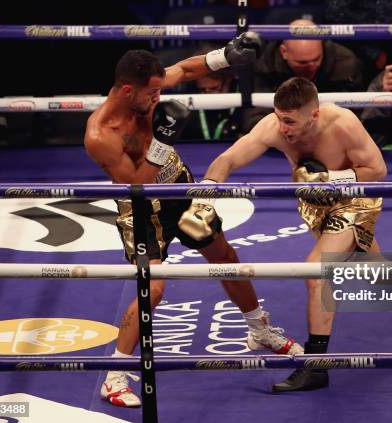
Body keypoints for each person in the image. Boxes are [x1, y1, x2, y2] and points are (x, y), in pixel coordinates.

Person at [180, 77, 392, 393]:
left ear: (313, 114)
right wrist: (203, 202)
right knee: (377, 270)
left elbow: (378, 170)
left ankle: (316, 367)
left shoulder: (342, 123)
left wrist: (330, 177)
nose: (283, 127)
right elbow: (227, 159)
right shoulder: (273, 127)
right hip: (316, 204)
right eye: (279, 117)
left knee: (318, 272)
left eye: (290, 120)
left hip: (355, 199)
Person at [84, 38, 303, 408]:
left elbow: (185, 69)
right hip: (142, 207)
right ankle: (115, 374)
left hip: (180, 187)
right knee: (151, 288)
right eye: (152, 93)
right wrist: (162, 140)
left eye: (158, 90)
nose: (158, 98)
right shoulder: (101, 135)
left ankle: (259, 328)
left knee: (224, 256)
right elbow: (138, 185)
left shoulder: (147, 89)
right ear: (126, 90)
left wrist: (225, 57)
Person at [243, 19, 364, 131]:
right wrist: (294, 127)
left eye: (316, 59)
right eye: (302, 63)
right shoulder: (266, 64)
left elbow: (354, 120)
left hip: (328, 138)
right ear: (284, 52)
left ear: (321, 45)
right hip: (281, 140)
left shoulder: (344, 63)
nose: (312, 66)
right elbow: (255, 119)